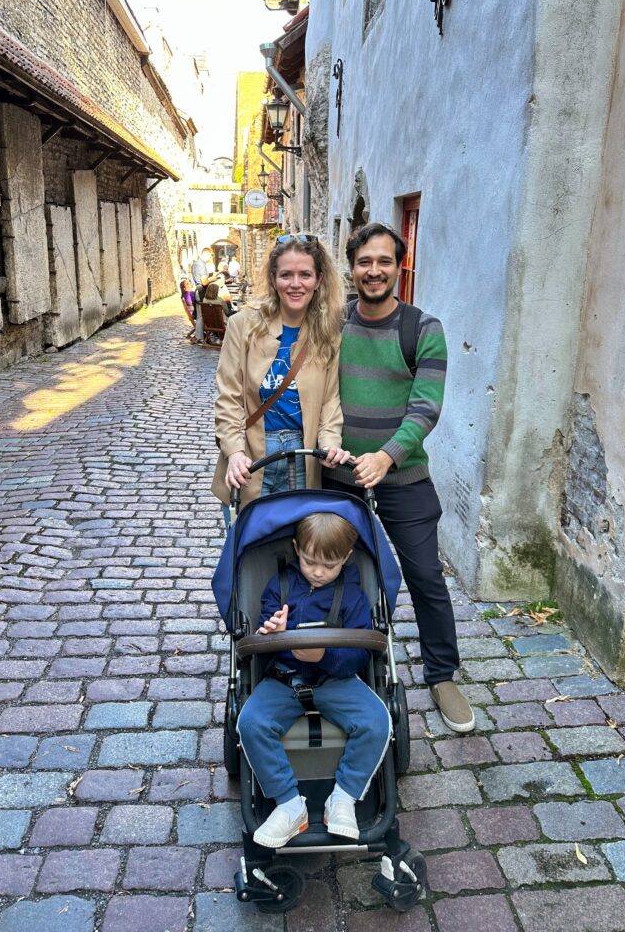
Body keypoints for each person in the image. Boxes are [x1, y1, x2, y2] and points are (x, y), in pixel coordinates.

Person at [323, 221, 475, 734]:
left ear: (399, 266)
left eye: (384, 261)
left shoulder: (422, 329)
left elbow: (426, 408)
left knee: (426, 577)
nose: (374, 271)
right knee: (334, 570)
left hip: (403, 477)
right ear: (351, 267)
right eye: (364, 262)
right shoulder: (334, 323)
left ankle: (442, 675)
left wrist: (387, 457)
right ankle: (339, 664)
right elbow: (317, 392)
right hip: (339, 477)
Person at [237, 513, 391, 848]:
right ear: (297, 550)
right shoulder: (278, 586)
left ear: (346, 558)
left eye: (329, 565)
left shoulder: (353, 598)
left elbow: (360, 654)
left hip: (336, 678)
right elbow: (263, 628)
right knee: (251, 722)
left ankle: (344, 797)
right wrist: (272, 632)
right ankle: (289, 804)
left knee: (377, 720)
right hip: (284, 678)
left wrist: (324, 656)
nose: (318, 572)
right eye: (309, 562)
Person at [212, 234, 351, 506]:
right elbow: (228, 396)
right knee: (252, 541)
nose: (296, 284)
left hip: (304, 454)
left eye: (305, 275)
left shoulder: (327, 334)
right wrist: (235, 452)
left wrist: (330, 443)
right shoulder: (244, 325)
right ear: (274, 279)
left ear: (319, 280)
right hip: (253, 454)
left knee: (299, 542)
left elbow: (330, 400)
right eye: (286, 275)